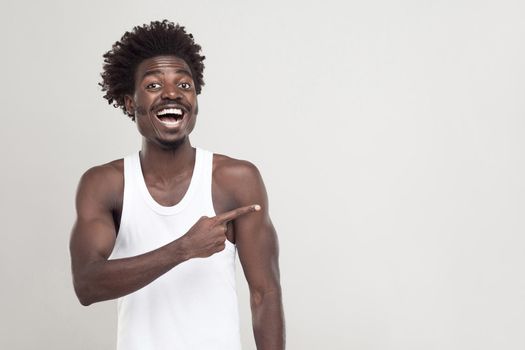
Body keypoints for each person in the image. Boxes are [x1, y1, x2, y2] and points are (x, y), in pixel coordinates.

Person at [69, 20, 285, 350]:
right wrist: (183, 248)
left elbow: (264, 293)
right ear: (130, 103)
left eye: (184, 85)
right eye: (154, 85)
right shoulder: (105, 184)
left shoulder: (235, 180)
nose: (172, 93)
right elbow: (87, 284)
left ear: (195, 101)